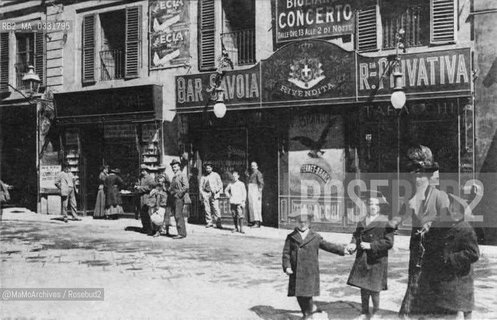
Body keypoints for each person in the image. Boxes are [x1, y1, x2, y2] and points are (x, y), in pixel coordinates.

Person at [393, 145, 451, 317]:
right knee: (415, 279)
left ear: (428, 176)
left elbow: (448, 220)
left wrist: (431, 224)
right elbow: (399, 217)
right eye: (413, 175)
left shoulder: (440, 197)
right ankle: (409, 314)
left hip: (435, 246)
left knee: (431, 281)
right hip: (417, 245)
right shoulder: (413, 198)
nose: (415, 179)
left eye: (419, 176)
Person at [282, 211, 346, 319]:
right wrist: (287, 266)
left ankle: (308, 314)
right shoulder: (291, 237)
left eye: (305, 222)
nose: (302, 224)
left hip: (310, 271)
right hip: (296, 271)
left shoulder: (315, 236)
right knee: (298, 294)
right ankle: (307, 312)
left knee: (307, 294)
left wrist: (343, 250)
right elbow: (286, 253)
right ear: (296, 222)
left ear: (309, 222)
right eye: (300, 222)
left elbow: (328, 245)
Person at [420, 207, 480, 320]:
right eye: (451, 211)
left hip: (461, 275)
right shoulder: (443, 226)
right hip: (447, 274)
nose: (454, 214)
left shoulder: (466, 229)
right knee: (449, 305)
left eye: (458, 211)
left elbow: (473, 253)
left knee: (465, 306)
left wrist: (451, 258)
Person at [346, 190, 394, 320]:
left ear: (380, 207)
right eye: (370, 204)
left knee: (374, 287)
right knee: (363, 286)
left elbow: (389, 242)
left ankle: (377, 312)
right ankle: (364, 312)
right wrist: (353, 244)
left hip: (377, 259)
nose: (372, 207)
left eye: (376, 204)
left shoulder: (385, 221)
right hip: (363, 257)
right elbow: (356, 235)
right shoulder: (362, 220)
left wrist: (371, 246)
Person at [168, 159, 189, 239]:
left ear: (179, 167)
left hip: (179, 198)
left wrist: (179, 194)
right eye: (172, 167)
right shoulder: (174, 176)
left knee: (178, 215)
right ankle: (180, 232)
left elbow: (186, 187)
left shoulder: (182, 175)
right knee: (176, 215)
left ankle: (181, 233)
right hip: (173, 197)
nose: (173, 168)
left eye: (175, 167)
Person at [200, 162, 223, 228]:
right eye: (207, 168)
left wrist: (216, 190)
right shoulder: (203, 176)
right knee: (207, 208)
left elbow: (220, 184)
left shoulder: (216, 175)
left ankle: (218, 223)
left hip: (214, 194)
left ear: (212, 168)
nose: (208, 169)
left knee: (216, 208)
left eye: (209, 168)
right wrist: (203, 193)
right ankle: (209, 222)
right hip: (206, 193)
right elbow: (201, 186)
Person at [135, 165, 156, 235]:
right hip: (141, 197)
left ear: (147, 171)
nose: (142, 172)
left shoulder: (150, 178)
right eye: (141, 170)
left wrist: (140, 188)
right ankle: (145, 227)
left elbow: (151, 187)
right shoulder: (140, 177)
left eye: (143, 170)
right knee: (142, 213)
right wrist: (136, 186)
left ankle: (150, 228)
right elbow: (137, 183)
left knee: (147, 213)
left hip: (147, 197)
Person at [247, 161, 264, 228]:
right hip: (251, 189)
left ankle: (257, 222)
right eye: (251, 166)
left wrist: (259, 192)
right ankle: (253, 221)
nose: (252, 167)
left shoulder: (258, 173)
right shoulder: (251, 173)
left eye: (254, 166)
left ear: (257, 166)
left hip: (255, 190)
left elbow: (261, 183)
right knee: (251, 205)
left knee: (256, 206)